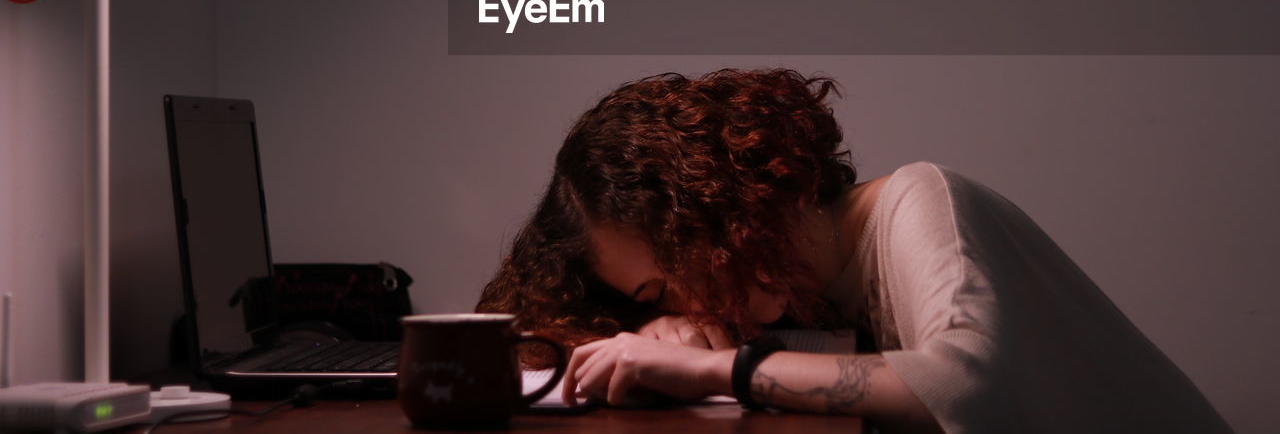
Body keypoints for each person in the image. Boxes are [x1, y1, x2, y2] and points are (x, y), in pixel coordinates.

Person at [476, 68, 1230, 433]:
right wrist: (651, 336)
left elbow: (971, 390)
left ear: (724, 200)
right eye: (656, 294)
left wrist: (716, 367)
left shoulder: (921, 200)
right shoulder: (815, 297)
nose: (693, 300)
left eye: (681, 262)